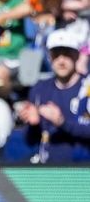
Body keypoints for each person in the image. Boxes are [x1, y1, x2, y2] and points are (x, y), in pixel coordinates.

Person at [16, 29, 90, 163]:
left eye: (67, 54)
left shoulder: (87, 87)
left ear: (77, 55)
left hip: (83, 170)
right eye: (56, 54)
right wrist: (33, 124)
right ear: (49, 56)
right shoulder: (40, 88)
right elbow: (30, 141)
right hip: (50, 174)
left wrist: (62, 122)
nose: (61, 60)